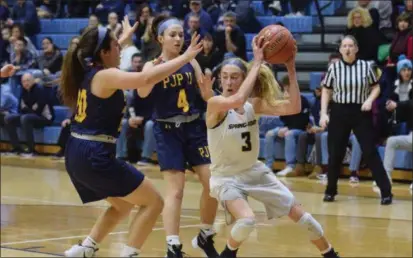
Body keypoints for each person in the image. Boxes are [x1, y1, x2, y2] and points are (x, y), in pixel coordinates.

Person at [61, 16, 203, 257]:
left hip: (77, 152)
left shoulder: (90, 69)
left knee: (123, 204)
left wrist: (122, 40)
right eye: (116, 45)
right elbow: (145, 79)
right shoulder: (106, 76)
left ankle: (85, 249)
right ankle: (129, 253)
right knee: (154, 202)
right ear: (104, 52)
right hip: (94, 154)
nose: (122, 48)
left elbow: (110, 58)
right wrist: (186, 58)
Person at [203, 36, 340, 258]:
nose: (228, 82)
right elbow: (237, 100)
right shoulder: (215, 105)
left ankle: (332, 255)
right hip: (226, 177)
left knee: (307, 220)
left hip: (255, 172)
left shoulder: (252, 105)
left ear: (243, 79)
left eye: (234, 77)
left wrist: (291, 68)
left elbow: (294, 106)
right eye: (225, 77)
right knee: (246, 221)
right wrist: (257, 62)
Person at [138, 14, 219, 258]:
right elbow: (142, 92)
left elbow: (206, 95)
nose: (177, 38)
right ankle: (173, 246)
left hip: (194, 128)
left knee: (213, 184)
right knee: (176, 190)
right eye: (172, 35)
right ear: (160, 38)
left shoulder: (191, 62)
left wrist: (211, 93)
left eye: (180, 35)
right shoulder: (151, 66)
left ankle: (205, 236)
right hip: (167, 130)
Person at [320, 35, 393, 205]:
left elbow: (376, 87)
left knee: (370, 151)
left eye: (351, 45)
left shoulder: (366, 67)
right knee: (335, 153)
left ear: (356, 49)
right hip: (339, 111)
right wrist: (324, 113)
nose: (347, 48)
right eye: (344, 46)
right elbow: (326, 91)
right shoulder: (334, 68)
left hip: (360, 111)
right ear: (340, 49)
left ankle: (386, 191)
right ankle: (330, 190)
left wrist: (369, 100)